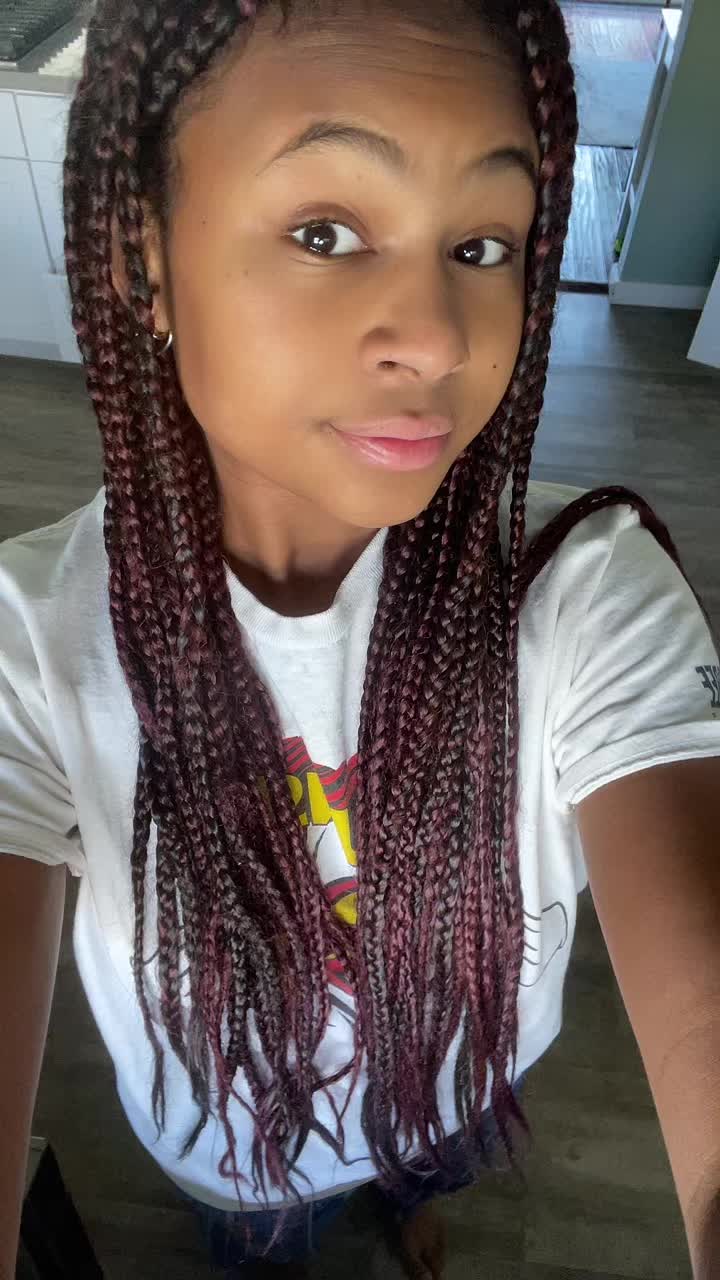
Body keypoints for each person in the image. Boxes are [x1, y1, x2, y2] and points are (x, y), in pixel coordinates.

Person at [1, 0, 720, 1276]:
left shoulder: (587, 588)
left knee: (428, 1156)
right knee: (260, 1247)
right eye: (325, 232)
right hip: (234, 1147)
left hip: (460, 1073)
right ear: (140, 252)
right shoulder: (28, 646)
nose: (439, 337)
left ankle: (407, 1189)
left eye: (483, 244)